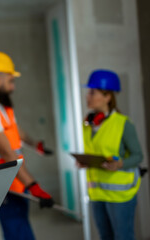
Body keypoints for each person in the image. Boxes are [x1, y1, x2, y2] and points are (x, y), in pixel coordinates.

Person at [0, 51, 54, 240]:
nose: (12, 87)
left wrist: (34, 144)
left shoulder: (1, 108)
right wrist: (35, 186)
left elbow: (15, 130)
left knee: (20, 231)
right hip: (0, 188)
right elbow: (7, 153)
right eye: (10, 81)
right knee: (19, 234)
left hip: (14, 183)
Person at [79, 69, 143, 240]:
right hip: (97, 193)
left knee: (123, 237)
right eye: (88, 92)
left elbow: (138, 156)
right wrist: (85, 161)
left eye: (93, 92)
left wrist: (119, 164)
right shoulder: (87, 124)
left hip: (120, 195)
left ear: (107, 97)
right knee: (105, 236)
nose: (88, 96)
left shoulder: (123, 124)